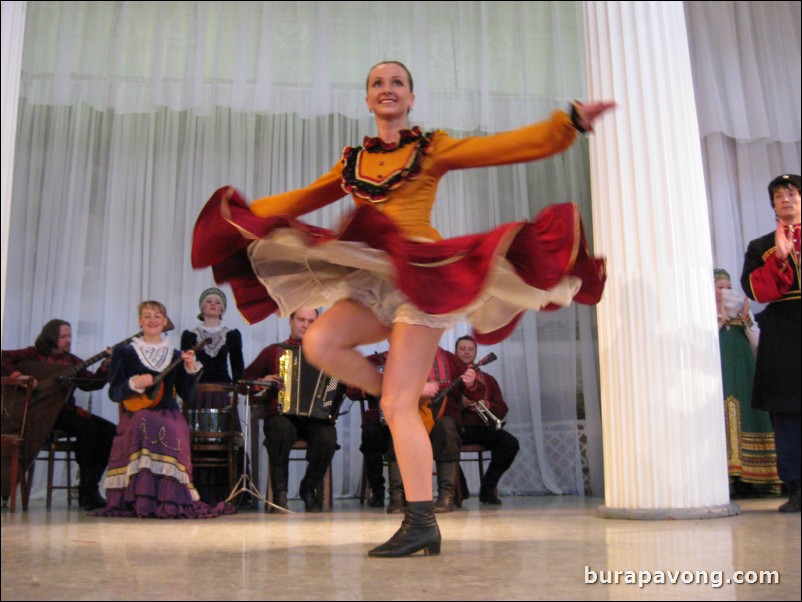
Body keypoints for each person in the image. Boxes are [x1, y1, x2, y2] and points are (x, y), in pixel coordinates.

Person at [193, 60, 613, 555]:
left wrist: (566, 123)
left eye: (397, 83)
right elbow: (299, 199)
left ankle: (421, 521)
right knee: (320, 340)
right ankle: (409, 400)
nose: (386, 89)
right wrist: (237, 218)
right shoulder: (353, 161)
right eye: (377, 83)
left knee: (392, 406)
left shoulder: (430, 148)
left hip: (423, 279)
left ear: (411, 99)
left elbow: (498, 149)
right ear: (367, 100)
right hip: (374, 278)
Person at [92, 300, 235, 518]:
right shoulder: (125, 352)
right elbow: (114, 393)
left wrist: (190, 368)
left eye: (157, 316)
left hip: (168, 412)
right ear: (140, 321)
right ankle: (140, 499)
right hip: (136, 412)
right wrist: (134, 384)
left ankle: (168, 498)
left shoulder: (175, 354)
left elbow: (186, 394)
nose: (152, 320)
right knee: (143, 421)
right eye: (147, 316)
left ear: (165, 321)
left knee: (177, 429)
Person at [1, 319, 117, 510]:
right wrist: (17, 376)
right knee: (87, 429)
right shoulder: (33, 354)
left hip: (63, 412)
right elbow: (3, 357)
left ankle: (89, 487)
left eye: (70, 336)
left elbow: (91, 383)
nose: (68, 340)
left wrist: (105, 365)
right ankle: (87, 493)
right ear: (51, 337)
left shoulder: (71, 361)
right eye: (64, 336)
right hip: (40, 416)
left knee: (110, 431)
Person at [740, 174, 801, 513]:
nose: (786, 200)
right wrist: (778, 259)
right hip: (783, 337)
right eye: (778, 195)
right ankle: (796, 486)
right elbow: (756, 291)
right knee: (787, 412)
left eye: (792, 193)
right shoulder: (760, 246)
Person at [241, 308, 337, 513]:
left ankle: (308, 488)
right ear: (291, 321)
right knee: (280, 431)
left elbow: (338, 386)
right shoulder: (273, 351)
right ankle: (280, 495)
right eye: (301, 320)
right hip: (281, 415)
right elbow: (243, 383)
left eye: (311, 321)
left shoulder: (327, 354)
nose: (305, 325)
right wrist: (262, 382)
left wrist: (336, 391)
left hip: (315, 418)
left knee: (327, 439)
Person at [715, 269, 781, 497]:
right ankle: (725, 478)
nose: (724, 292)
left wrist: (745, 318)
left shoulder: (743, 312)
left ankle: (752, 478)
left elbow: (757, 342)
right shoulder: (705, 314)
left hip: (743, 371)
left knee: (748, 415)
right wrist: (718, 317)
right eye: (719, 287)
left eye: (726, 286)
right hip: (719, 372)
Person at [181, 287, 244, 504]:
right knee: (196, 441)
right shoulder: (189, 335)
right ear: (201, 307)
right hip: (197, 393)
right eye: (208, 301)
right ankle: (196, 491)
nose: (213, 304)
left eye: (218, 302)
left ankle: (227, 492)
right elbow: (183, 368)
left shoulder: (232, 334)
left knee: (225, 441)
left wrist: (239, 391)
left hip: (222, 393)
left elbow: (238, 368)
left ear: (223, 309)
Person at [453, 335, 520, 505]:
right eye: (462, 349)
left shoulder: (489, 379)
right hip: (459, 428)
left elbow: (502, 408)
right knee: (443, 443)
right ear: (455, 352)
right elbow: (440, 408)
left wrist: (486, 404)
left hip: (483, 426)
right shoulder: (450, 378)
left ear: (476, 352)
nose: (467, 352)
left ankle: (488, 488)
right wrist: (460, 404)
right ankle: (460, 488)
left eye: (471, 349)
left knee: (510, 443)